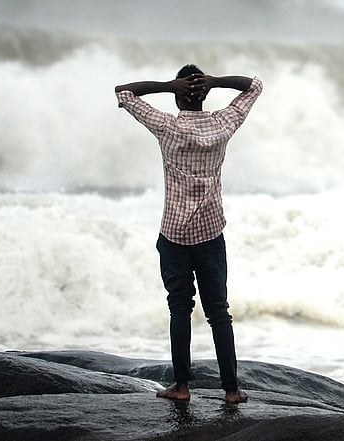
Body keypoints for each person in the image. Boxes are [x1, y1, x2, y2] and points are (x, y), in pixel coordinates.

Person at [114, 64, 262, 403]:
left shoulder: (167, 126)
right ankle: (231, 389)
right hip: (211, 233)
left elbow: (124, 91)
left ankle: (181, 387)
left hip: (175, 234)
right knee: (218, 311)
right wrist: (216, 81)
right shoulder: (223, 124)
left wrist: (168, 85)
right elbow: (253, 86)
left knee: (180, 308)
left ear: (179, 95)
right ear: (206, 94)